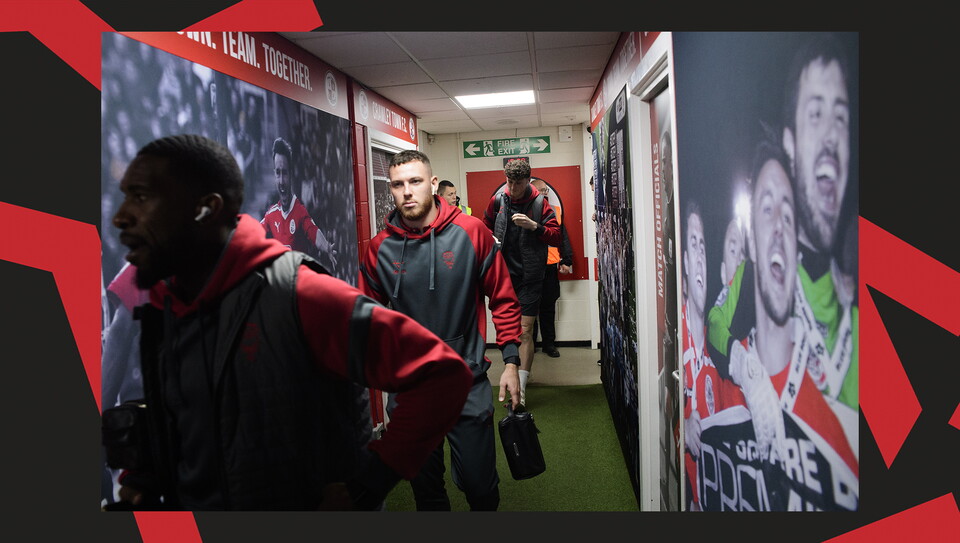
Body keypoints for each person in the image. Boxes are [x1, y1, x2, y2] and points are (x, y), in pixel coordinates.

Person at [108, 134, 473, 510]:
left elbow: (442, 375)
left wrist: (368, 483)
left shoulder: (299, 293)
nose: (121, 217)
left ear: (206, 209)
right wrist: (146, 479)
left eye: (141, 197)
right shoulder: (163, 307)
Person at [359, 150, 522, 511]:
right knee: (427, 493)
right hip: (410, 389)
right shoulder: (378, 249)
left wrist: (511, 362)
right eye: (398, 184)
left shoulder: (471, 233)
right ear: (392, 189)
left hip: (467, 381)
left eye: (415, 182)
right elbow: (363, 317)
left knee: (480, 488)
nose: (407, 192)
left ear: (433, 184)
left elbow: (504, 299)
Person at [708, 34, 857, 421]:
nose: (830, 135)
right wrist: (741, 363)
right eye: (815, 114)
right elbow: (716, 320)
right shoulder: (758, 267)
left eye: (841, 117)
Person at [733, 143, 858, 510]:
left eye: (788, 217)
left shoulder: (837, 404)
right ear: (752, 243)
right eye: (767, 209)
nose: (778, 228)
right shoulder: (727, 375)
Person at [679, 200, 746, 512]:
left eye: (704, 246)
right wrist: (680, 420)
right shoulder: (670, 334)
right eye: (694, 246)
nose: (701, 259)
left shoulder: (712, 349)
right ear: (684, 261)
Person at [482, 159, 561, 406]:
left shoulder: (540, 203)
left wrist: (535, 226)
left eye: (518, 183)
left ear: (528, 180)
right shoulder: (497, 200)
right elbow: (484, 228)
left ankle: (521, 390)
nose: (513, 188)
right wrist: (490, 240)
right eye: (509, 182)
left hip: (531, 276)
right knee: (510, 330)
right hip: (503, 276)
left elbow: (557, 236)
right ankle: (512, 373)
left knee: (525, 331)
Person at [260, 136, 338, 270]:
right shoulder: (271, 214)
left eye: (285, 173)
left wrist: (326, 247)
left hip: (301, 283)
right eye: (278, 173)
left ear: (291, 175)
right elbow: (254, 231)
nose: (281, 181)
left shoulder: (300, 211)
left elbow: (314, 232)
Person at [529, 177, 574, 358]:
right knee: (529, 308)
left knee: (548, 308)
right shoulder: (524, 210)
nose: (545, 193)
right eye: (541, 190)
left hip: (549, 267)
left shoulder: (554, 211)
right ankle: (529, 345)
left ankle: (549, 344)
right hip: (530, 268)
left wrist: (567, 259)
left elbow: (562, 236)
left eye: (546, 190)